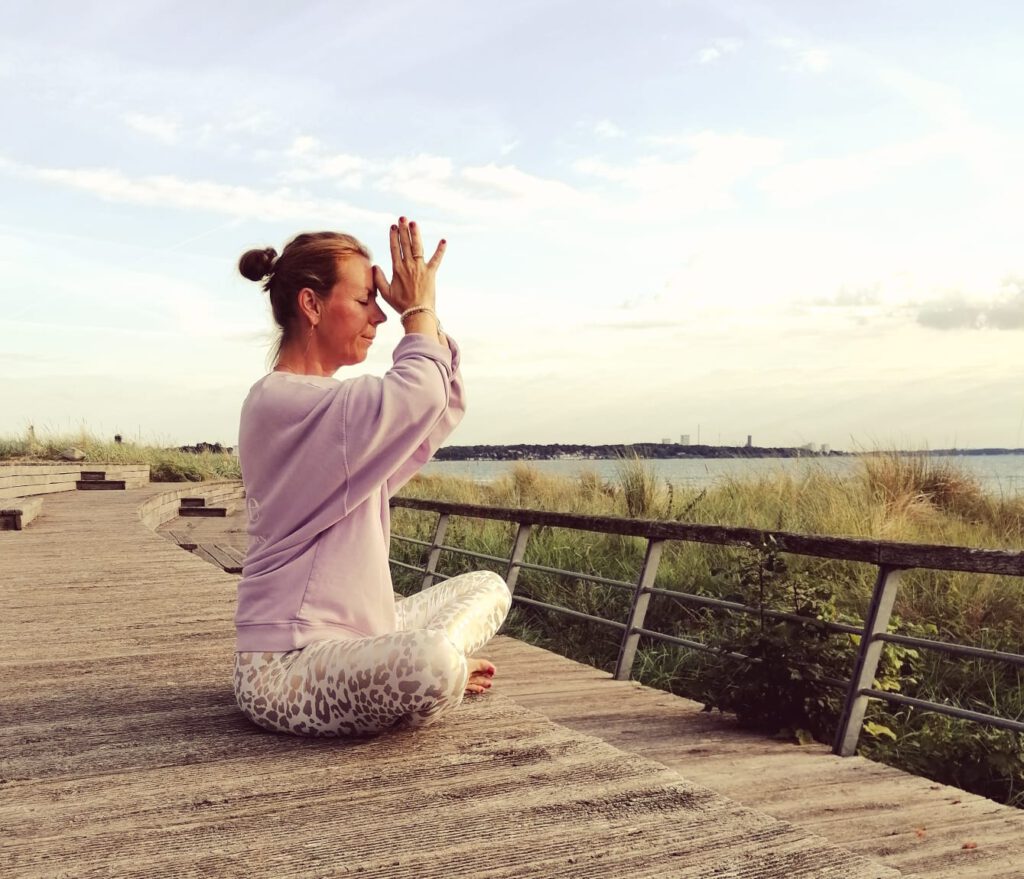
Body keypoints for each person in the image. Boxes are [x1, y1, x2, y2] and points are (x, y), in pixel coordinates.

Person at [231, 217, 511, 737]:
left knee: (488, 587)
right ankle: (434, 667)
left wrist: (424, 312)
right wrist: (417, 312)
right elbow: (416, 396)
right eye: (364, 300)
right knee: (431, 663)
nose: (380, 316)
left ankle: (421, 663)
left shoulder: (334, 414)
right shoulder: (281, 402)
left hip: (357, 637)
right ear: (311, 305)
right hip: (285, 667)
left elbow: (437, 409)